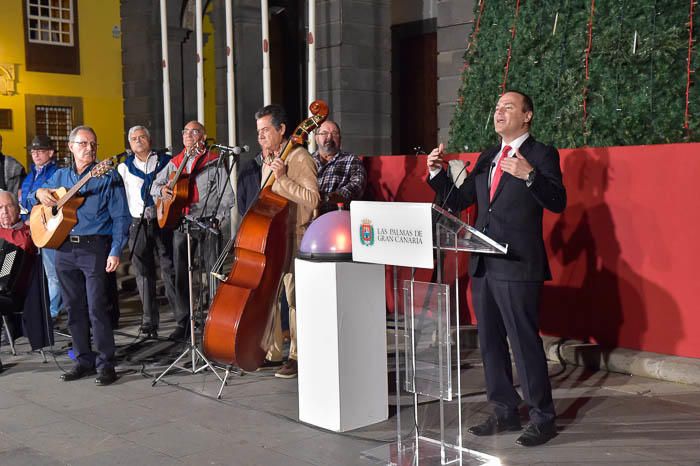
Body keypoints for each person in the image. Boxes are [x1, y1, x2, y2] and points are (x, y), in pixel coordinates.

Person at [426, 90, 566, 447]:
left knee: (523, 344)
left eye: (508, 107)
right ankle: (504, 411)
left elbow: (558, 202)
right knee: (490, 344)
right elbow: (459, 201)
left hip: (517, 265)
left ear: (527, 116)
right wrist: (437, 175)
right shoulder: (488, 156)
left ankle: (542, 418)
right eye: (497, 107)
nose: (499, 112)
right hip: (484, 264)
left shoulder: (541, 154)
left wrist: (529, 175)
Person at [33, 126, 130, 386]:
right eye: (84, 143)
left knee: (97, 307)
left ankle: (106, 363)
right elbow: (38, 194)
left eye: (93, 144)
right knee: (73, 308)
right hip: (63, 248)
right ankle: (83, 361)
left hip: (94, 247)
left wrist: (116, 249)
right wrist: (39, 193)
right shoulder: (60, 175)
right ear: (71, 147)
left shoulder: (107, 176)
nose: (90, 148)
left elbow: (122, 217)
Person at [237, 104, 319, 378]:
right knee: (269, 297)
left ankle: (298, 355)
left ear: (282, 130)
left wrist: (282, 178)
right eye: (258, 131)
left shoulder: (299, 157)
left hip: (296, 237)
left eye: (265, 131)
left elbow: (312, 200)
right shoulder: (270, 159)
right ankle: (271, 352)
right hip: (272, 237)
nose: (260, 137)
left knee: (295, 300)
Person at [150, 121, 234, 341]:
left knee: (213, 273)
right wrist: (164, 191)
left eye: (194, 131)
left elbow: (227, 197)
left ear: (203, 136)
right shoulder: (175, 162)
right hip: (182, 223)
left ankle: (215, 323)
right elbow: (154, 187)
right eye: (185, 131)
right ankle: (184, 322)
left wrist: (218, 219)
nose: (188, 135)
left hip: (208, 224)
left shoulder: (214, 161)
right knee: (181, 274)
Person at [117, 126, 177, 338]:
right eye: (133, 138)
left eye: (142, 136)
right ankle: (149, 322)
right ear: (130, 144)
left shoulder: (166, 162)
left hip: (162, 220)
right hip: (138, 223)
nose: (138, 141)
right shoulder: (124, 168)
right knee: (142, 273)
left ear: (150, 139)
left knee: (170, 269)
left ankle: (181, 320)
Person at [19, 135, 63, 324]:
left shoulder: (56, 173)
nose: (35, 154)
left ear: (51, 153)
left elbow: (53, 200)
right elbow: (24, 200)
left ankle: (52, 313)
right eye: (33, 151)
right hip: (30, 228)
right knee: (40, 273)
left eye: (40, 150)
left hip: (48, 228)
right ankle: (44, 310)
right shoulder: (31, 175)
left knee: (53, 273)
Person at [0, 190, 37, 373]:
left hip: (17, 296)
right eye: (0, 208)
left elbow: (23, 243)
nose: (4, 212)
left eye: (8, 206)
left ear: (18, 208)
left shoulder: (27, 230)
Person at [311, 120, 366, 215]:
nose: (329, 137)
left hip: (337, 217)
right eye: (324, 133)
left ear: (340, 139)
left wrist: (327, 198)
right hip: (309, 218)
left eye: (335, 133)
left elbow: (357, 186)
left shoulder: (351, 160)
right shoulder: (308, 160)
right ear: (316, 138)